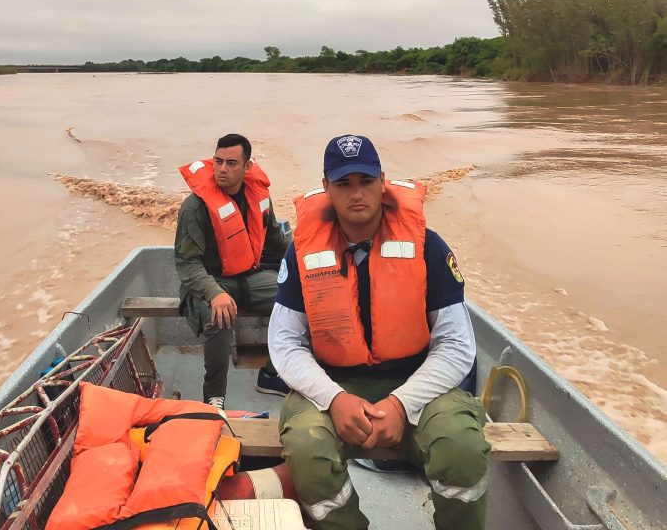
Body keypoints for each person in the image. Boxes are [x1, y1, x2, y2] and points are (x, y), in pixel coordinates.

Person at [268, 134, 490, 530]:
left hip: (419, 384)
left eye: (366, 181)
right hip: (333, 384)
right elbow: (285, 343)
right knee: (306, 445)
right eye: (343, 183)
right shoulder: (301, 253)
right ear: (326, 188)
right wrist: (334, 398)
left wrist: (402, 404)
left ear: (383, 182)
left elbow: (456, 346)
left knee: (461, 446)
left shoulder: (428, 247)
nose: (357, 193)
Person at [175, 132, 291, 410]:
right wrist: (214, 293)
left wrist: (306, 268)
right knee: (220, 316)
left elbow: (276, 240)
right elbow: (187, 263)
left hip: (250, 275)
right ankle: (213, 398)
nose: (222, 169)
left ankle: (273, 374)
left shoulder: (258, 196)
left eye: (231, 163)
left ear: (247, 167)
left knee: (301, 299)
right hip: (209, 282)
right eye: (218, 161)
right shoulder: (195, 207)